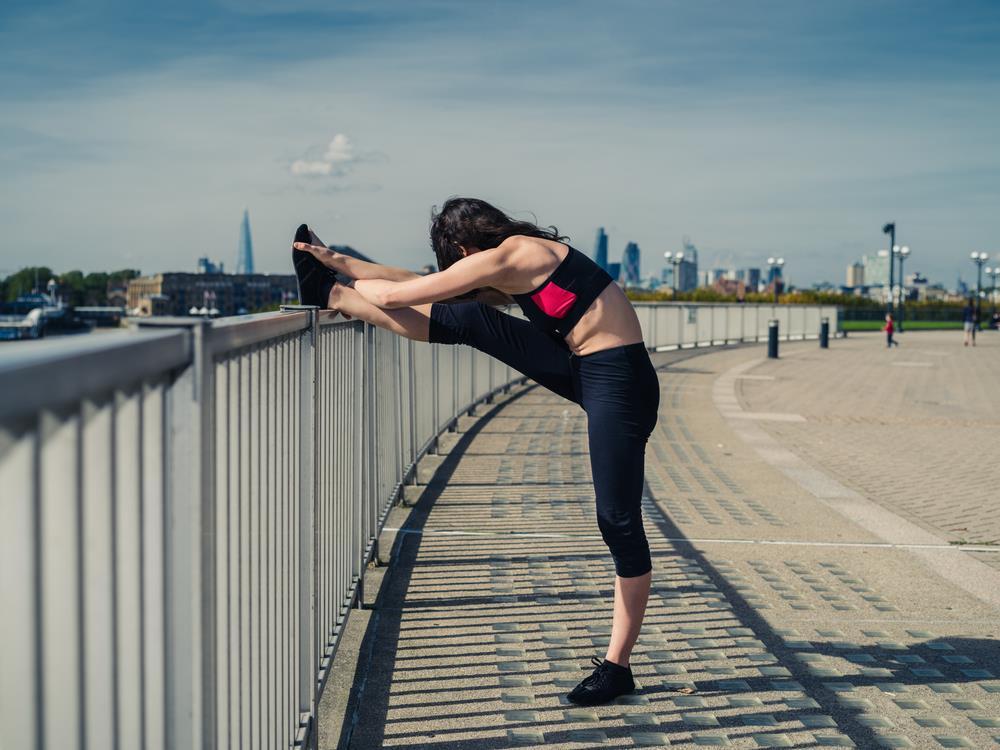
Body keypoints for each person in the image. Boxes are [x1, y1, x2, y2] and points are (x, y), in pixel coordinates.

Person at [290, 198, 660, 706]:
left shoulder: (516, 257)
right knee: (471, 320)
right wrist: (343, 265)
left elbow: (402, 292)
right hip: (587, 367)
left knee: (616, 519)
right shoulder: (512, 258)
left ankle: (618, 666)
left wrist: (355, 282)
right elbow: (435, 287)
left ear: (464, 247)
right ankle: (329, 293)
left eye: (456, 259)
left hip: (621, 381)